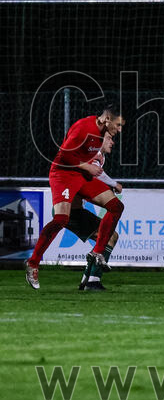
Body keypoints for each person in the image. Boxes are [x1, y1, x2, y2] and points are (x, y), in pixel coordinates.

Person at [25, 105, 125, 289]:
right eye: (118, 125)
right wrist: (88, 167)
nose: (119, 130)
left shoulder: (101, 134)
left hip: (81, 176)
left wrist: (94, 171)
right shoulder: (84, 127)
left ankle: (97, 253)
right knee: (61, 219)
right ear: (107, 119)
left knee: (116, 206)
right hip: (63, 174)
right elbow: (64, 155)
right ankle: (33, 263)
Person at [66, 133, 123, 291]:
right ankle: (92, 281)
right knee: (109, 237)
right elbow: (95, 172)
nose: (112, 142)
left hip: (73, 210)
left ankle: (87, 280)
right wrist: (114, 184)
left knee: (109, 237)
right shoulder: (95, 154)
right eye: (109, 138)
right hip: (71, 211)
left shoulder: (98, 156)